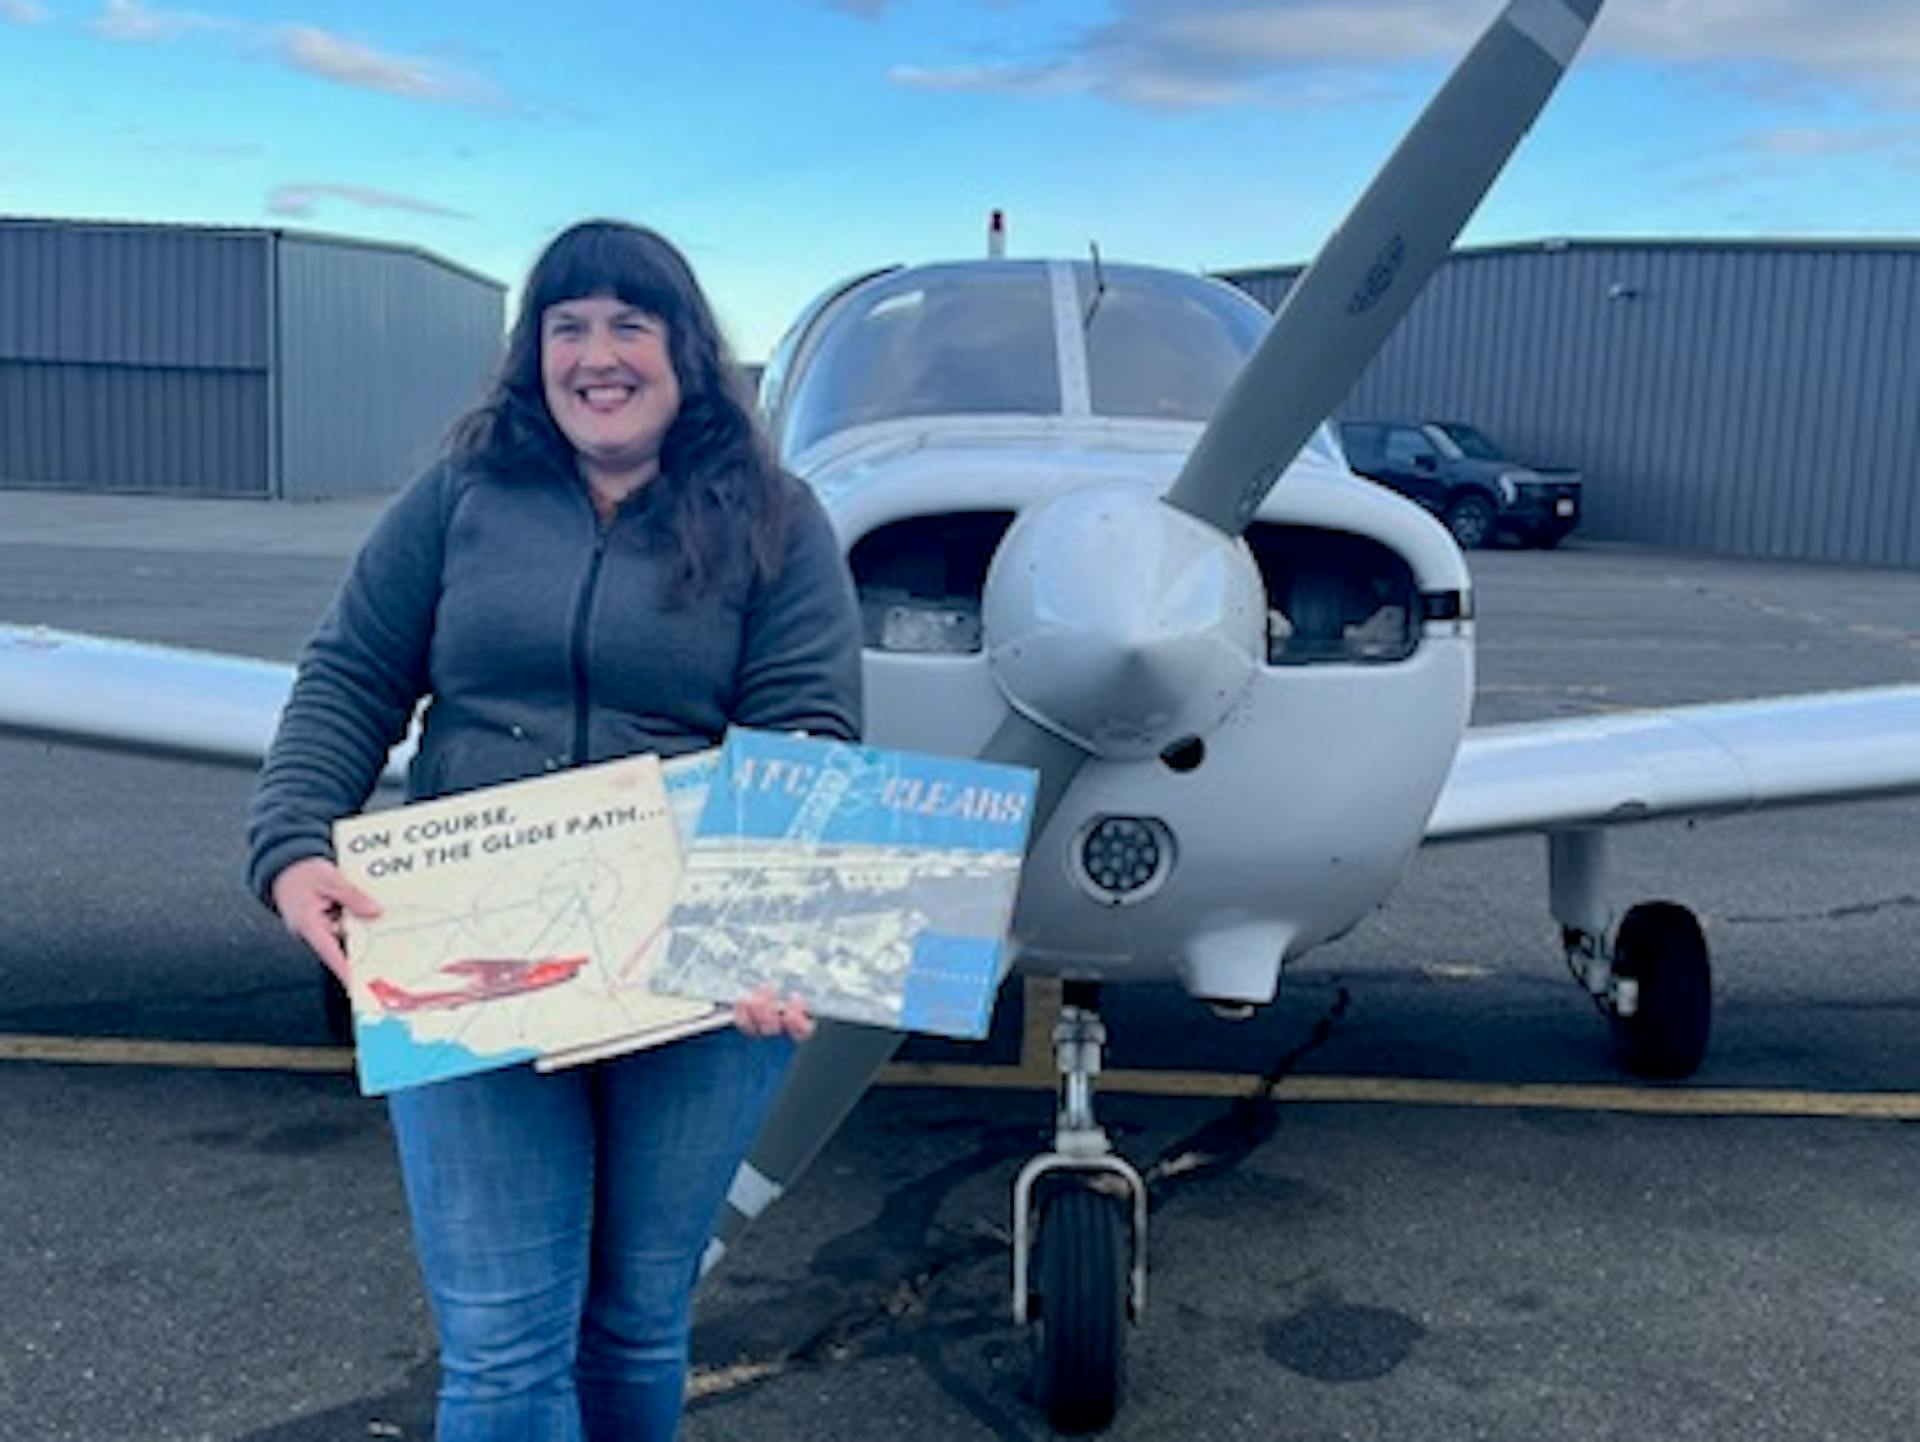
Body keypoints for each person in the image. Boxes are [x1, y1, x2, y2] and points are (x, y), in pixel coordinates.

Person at [246, 219, 863, 1441]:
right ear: (534, 354)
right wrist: (292, 838)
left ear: (686, 351)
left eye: (630, 323)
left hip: (690, 975)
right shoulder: (461, 494)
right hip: (469, 949)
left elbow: (806, 733)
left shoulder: (778, 519)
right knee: (501, 1348)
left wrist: (774, 929)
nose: (598, 353)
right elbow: (351, 672)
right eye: (568, 325)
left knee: (637, 1319)